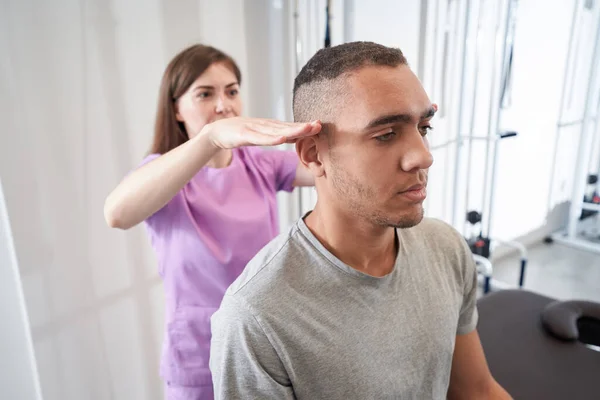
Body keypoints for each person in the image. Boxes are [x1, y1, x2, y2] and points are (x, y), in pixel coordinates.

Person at [209, 41, 512, 399]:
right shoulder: (256, 317)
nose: (423, 156)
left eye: (424, 128)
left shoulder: (446, 248)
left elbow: (476, 390)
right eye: (385, 135)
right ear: (313, 154)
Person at [103, 44, 321, 399]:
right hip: (196, 355)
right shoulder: (164, 172)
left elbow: (328, 167)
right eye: (205, 94)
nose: (224, 105)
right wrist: (208, 139)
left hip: (262, 343)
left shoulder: (259, 165)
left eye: (232, 91)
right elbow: (117, 214)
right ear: (176, 108)